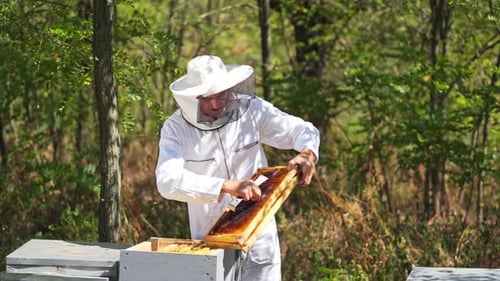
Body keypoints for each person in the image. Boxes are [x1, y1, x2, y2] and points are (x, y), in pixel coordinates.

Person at [155, 55, 320, 281]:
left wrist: (307, 154)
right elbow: (167, 182)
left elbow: (301, 129)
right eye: (206, 98)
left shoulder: (251, 110)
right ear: (193, 97)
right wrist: (226, 186)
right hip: (211, 238)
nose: (215, 104)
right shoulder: (176, 129)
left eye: (220, 95)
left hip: (259, 234)